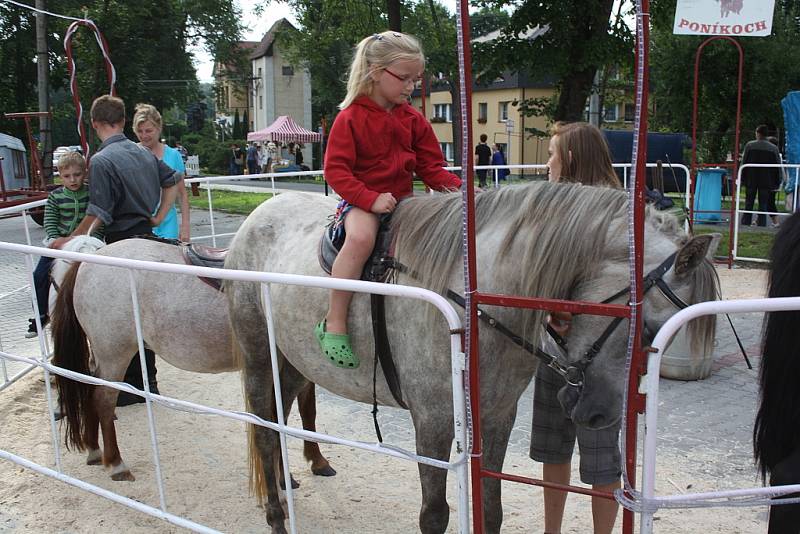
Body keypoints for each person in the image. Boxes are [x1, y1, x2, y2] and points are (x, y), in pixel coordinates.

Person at [317, 30, 461, 369]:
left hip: (404, 202)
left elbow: (432, 168)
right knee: (362, 237)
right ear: (374, 72)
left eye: (416, 79)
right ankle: (334, 320)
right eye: (404, 78)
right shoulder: (349, 118)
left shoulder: (414, 120)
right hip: (362, 202)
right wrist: (369, 198)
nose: (411, 86)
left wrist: (461, 191)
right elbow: (336, 172)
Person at [535, 121, 622, 534]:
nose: (547, 162)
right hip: (553, 347)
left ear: (569, 158)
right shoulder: (553, 208)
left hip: (596, 356)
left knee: (600, 454)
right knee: (555, 448)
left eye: (552, 153)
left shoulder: (613, 212)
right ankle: (552, 531)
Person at [69, 95, 182, 406]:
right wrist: (159, 215)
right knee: (143, 316)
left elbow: (100, 212)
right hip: (148, 237)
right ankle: (149, 384)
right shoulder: (142, 152)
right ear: (121, 122)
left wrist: (70, 239)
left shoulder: (102, 161)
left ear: (94, 125)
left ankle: (127, 387)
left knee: (122, 319)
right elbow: (172, 180)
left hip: (120, 242)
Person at [25, 151, 103, 338]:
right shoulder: (55, 197)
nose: (73, 180)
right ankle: (41, 314)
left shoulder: (92, 194)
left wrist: (94, 238)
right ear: (60, 176)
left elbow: (97, 221)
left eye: (77, 175)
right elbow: (50, 221)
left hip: (87, 242)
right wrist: (55, 240)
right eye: (67, 176)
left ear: (84, 173)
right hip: (59, 244)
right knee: (39, 275)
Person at [133, 103, 190, 241]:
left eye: (148, 131)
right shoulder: (131, 153)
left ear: (158, 129)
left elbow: (182, 194)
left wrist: (185, 227)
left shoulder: (173, 155)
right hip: (140, 222)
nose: (144, 135)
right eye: (140, 131)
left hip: (168, 223)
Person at [741, 125, 781, 228]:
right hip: (767, 180)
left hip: (751, 178)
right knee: (763, 203)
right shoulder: (773, 148)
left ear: (758, 133)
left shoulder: (749, 145)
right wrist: (777, 181)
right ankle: (761, 224)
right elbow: (778, 166)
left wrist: (741, 177)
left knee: (749, 202)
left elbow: (744, 162)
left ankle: (745, 223)